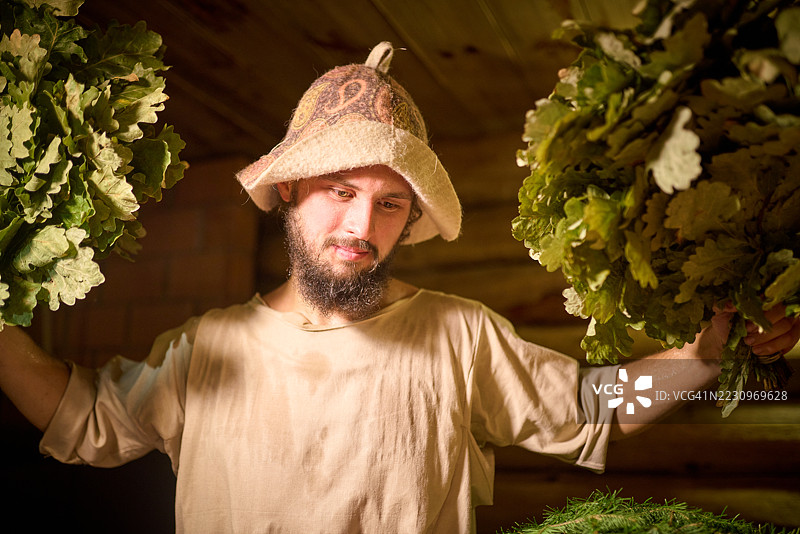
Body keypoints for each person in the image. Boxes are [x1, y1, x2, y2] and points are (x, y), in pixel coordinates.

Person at [1, 42, 798, 534]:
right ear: (289, 189)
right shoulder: (206, 348)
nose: (362, 224)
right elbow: (79, 419)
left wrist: (702, 350)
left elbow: (598, 405)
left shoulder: (461, 335)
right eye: (340, 190)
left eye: (389, 204)